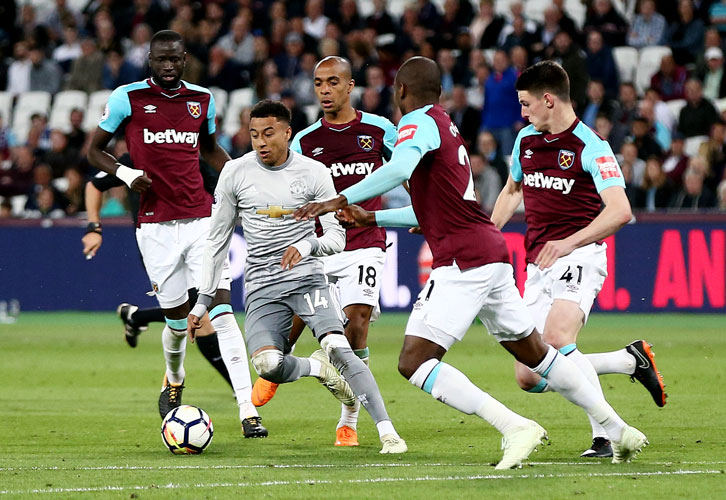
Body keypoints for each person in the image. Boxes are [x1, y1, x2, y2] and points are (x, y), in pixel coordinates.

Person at [296, 56, 648, 468]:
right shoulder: (447, 125)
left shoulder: (416, 123)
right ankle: (618, 426)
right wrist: (372, 216)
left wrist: (343, 196)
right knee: (537, 356)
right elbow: (430, 209)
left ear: (401, 92)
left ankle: (515, 427)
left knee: (414, 362)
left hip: (463, 261)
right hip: (490, 251)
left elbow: (399, 168)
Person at [187, 99, 407, 454]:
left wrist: (306, 247)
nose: (260, 142)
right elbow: (216, 241)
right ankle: (317, 368)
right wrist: (201, 302)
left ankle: (387, 431)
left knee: (341, 345)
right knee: (268, 365)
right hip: (261, 287)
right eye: (254, 134)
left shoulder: (314, 172)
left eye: (269, 133)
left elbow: (336, 238)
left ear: (288, 134)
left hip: (307, 279)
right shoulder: (235, 173)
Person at [86, 30, 266, 439]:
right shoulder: (126, 98)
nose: (168, 66)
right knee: (178, 320)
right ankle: (174, 376)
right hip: (154, 227)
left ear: (185, 59)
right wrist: (126, 173)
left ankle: (247, 410)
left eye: (175, 60)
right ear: (149, 59)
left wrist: (242, 175)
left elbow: (208, 148)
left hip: (203, 219)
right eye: (160, 60)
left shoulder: (202, 99)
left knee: (221, 313)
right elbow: (93, 151)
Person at [489, 60, 666, 458]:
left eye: (525, 104)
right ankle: (627, 361)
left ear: (548, 99)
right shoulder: (525, 142)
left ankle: (605, 435)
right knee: (528, 374)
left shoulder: (591, 145)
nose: (522, 113)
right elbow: (512, 190)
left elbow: (620, 210)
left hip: (581, 254)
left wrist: (570, 243)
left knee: (556, 340)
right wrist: (486, 233)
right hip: (538, 264)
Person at [251, 56, 399, 448]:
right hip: (319, 245)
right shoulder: (304, 141)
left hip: (366, 243)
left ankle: (348, 417)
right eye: (319, 84)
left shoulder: (380, 129)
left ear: (350, 86)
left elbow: (409, 169)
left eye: (333, 82)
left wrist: (416, 212)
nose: (325, 90)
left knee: (356, 325)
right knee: (300, 320)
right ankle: (276, 364)